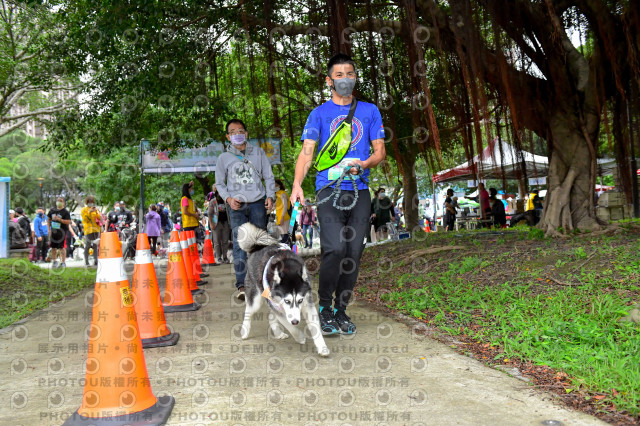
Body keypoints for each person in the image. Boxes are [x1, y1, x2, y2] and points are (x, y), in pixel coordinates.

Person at [290, 53, 386, 335]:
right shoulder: (318, 114)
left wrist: (364, 164)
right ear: (329, 80)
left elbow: (380, 150)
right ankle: (323, 308)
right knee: (334, 248)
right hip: (328, 190)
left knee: (353, 252)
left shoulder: (369, 111)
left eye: (350, 74)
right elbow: (307, 152)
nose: (346, 79)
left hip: (359, 190)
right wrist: (297, 184)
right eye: (339, 75)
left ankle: (341, 311)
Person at [215, 118, 276, 300]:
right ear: (228, 136)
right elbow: (219, 183)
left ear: (246, 133)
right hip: (236, 206)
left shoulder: (258, 153)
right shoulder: (223, 158)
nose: (237, 135)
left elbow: (268, 176)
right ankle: (241, 285)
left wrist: (270, 196)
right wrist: (228, 198)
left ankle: (263, 284)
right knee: (240, 245)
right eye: (233, 132)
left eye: (240, 131)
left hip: (257, 202)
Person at [47, 197, 71, 268]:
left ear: (64, 203)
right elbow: (48, 220)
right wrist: (49, 229)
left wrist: (60, 220)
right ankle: (54, 261)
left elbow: (68, 221)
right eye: (58, 201)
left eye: (61, 201)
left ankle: (63, 262)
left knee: (61, 247)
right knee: (53, 247)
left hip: (62, 232)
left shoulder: (65, 212)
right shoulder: (52, 210)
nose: (59, 202)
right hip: (54, 231)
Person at [81, 196, 101, 266]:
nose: (91, 204)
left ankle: (96, 260)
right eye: (89, 203)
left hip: (96, 229)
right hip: (88, 230)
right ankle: (86, 261)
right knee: (88, 245)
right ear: (87, 203)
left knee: (96, 245)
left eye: (92, 202)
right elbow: (85, 219)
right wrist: (89, 212)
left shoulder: (96, 209)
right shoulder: (84, 210)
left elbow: (100, 218)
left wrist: (96, 211)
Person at [274, 179, 292, 244]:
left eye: (274, 185)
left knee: (284, 237)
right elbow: (274, 206)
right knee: (281, 237)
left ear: (279, 185)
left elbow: (285, 206)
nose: (273, 187)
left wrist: (282, 218)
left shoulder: (283, 194)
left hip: (284, 218)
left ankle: (286, 251)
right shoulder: (278, 195)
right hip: (279, 218)